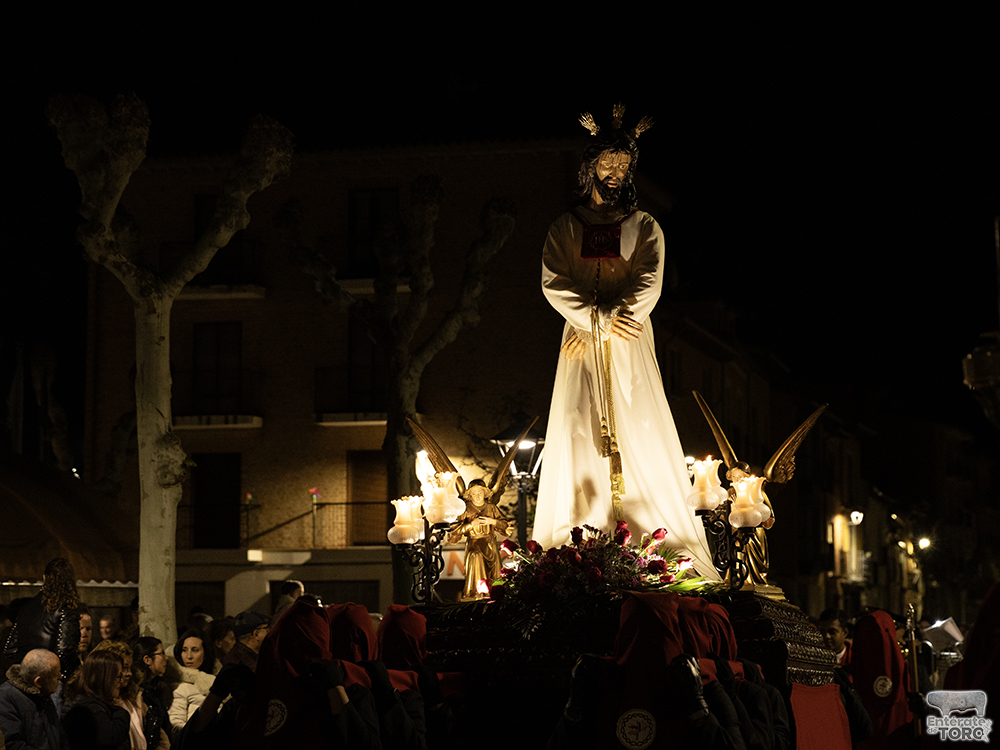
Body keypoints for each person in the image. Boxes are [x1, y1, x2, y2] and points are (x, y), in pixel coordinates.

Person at [532, 106, 716, 577]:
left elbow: (648, 278)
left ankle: (646, 534)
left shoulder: (644, 225)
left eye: (623, 164)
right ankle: (581, 536)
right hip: (580, 340)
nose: (614, 172)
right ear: (590, 165)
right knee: (580, 421)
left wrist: (612, 318)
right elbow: (554, 280)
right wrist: (591, 319)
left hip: (628, 338)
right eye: (607, 162)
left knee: (638, 418)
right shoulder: (565, 227)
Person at [4, 558, 82, 678]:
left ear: (44, 577)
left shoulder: (26, 607)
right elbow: (65, 650)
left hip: (23, 676)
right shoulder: (67, 609)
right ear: (71, 581)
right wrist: (75, 672)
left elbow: (10, 649)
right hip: (51, 678)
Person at [447, 479, 511, 600]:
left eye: (480, 493)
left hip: (490, 544)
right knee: (476, 557)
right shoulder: (465, 509)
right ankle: (475, 593)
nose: (477, 496)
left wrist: (492, 521)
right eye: (474, 493)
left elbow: (506, 525)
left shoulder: (491, 508)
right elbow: (456, 531)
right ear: (470, 495)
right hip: (474, 543)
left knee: (495, 572)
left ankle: (495, 593)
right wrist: (471, 525)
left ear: (485, 493)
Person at [62, 650, 131, 750]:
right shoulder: (91, 710)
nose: (120, 682)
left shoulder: (94, 705)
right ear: (105, 678)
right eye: (118, 677)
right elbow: (110, 739)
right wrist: (121, 713)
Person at [0, 648, 68, 750]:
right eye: (56, 676)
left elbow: (59, 736)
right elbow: (12, 744)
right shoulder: (6, 698)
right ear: (38, 682)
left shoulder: (43, 694)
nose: (61, 677)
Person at [169, 629, 215, 736]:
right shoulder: (180, 686)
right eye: (184, 650)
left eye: (195, 650)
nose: (189, 656)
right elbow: (176, 724)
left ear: (205, 653)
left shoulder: (215, 680)